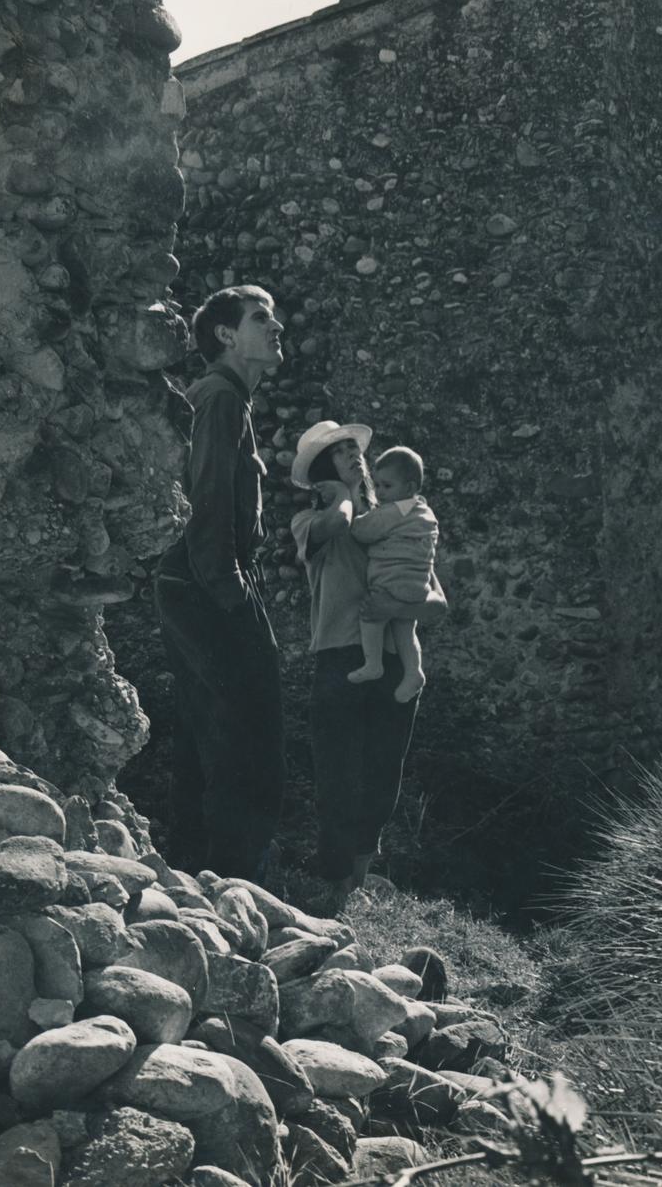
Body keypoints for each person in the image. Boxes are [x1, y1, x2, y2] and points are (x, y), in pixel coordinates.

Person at [153, 284, 286, 883]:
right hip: (205, 581)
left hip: (201, 579)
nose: (276, 328)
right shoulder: (220, 398)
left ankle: (197, 869)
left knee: (208, 723)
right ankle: (233, 878)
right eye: (263, 318)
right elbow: (204, 502)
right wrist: (232, 597)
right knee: (246, 725)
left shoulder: (230, 398)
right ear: (227, 336)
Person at [290, 420, 446, 907]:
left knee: (383, 770)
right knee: (337, 772)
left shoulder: (400, 524)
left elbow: (437, 603)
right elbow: (336, 524)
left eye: (355, 450)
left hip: (395, 662)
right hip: (339, 656)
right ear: (322, 471)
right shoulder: (310, 522)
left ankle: (358, 878)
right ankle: (335, 880)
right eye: (340, 454)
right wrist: (340, 493)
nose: (355, 456)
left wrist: (393, 610)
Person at [347, 446, 440, 703]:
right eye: (377, 485)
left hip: (391, 581)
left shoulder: (394, 511)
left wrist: (358, 511)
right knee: (405, 630)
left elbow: (362, 531)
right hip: (417, 586)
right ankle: (414, 672)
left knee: (372, 617)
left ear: (409, 488)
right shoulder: (425, 513)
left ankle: (372, 663)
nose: (379, 492)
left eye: (387, 486)